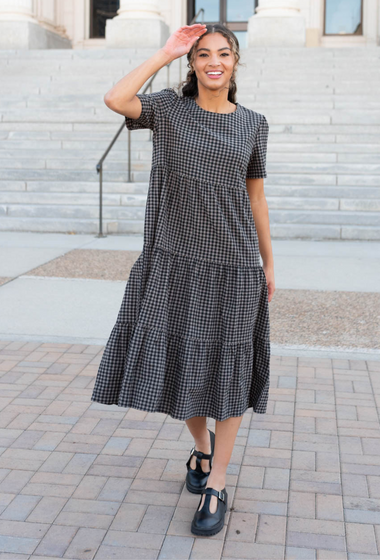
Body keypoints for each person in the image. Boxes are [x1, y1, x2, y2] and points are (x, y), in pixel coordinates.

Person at [91, 22, 275, 537]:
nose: (213, 61)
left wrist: (269, 262)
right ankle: (201, 450)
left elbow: (255, 197)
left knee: (229, 370)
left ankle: (216, 482)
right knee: (186, 364)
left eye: (223, 53)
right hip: (174, 261)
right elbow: (115, 98)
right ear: (192, 64)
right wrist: (166, 50)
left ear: (235, 62)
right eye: (202, 55)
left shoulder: (255, 124)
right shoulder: (170, 110)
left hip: (237, 264)